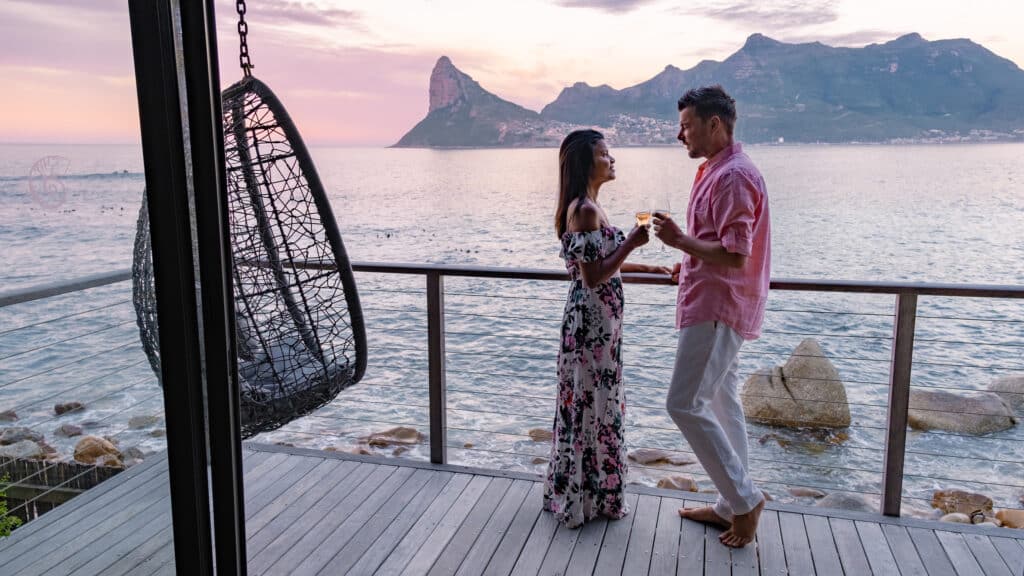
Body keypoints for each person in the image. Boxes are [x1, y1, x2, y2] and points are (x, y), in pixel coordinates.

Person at [652, 86, 771, 548]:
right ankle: (730, 502)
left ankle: (744, 501)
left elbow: (737, 254)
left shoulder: (734, 177)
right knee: (722, 400)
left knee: (683, 403)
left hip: (719, 305)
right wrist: (690, 258)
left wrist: (682, 243)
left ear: (714, 124)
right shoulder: (714, 171)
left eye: (686, 125)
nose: (679, 134)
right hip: (711, 297)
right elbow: (717, 241)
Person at [544, 129, 668, 528]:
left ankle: (592, 494)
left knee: (595, 405)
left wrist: (648, 266)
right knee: (591, 405)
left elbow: (603, 258)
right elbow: (593, 275)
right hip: (591, 328)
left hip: (602, 328)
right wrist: (632, 243)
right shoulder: (584, 210)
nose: (612, 160)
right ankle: (587, 497)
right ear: (586, 162)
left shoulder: (591, 207)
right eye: (604, 154)